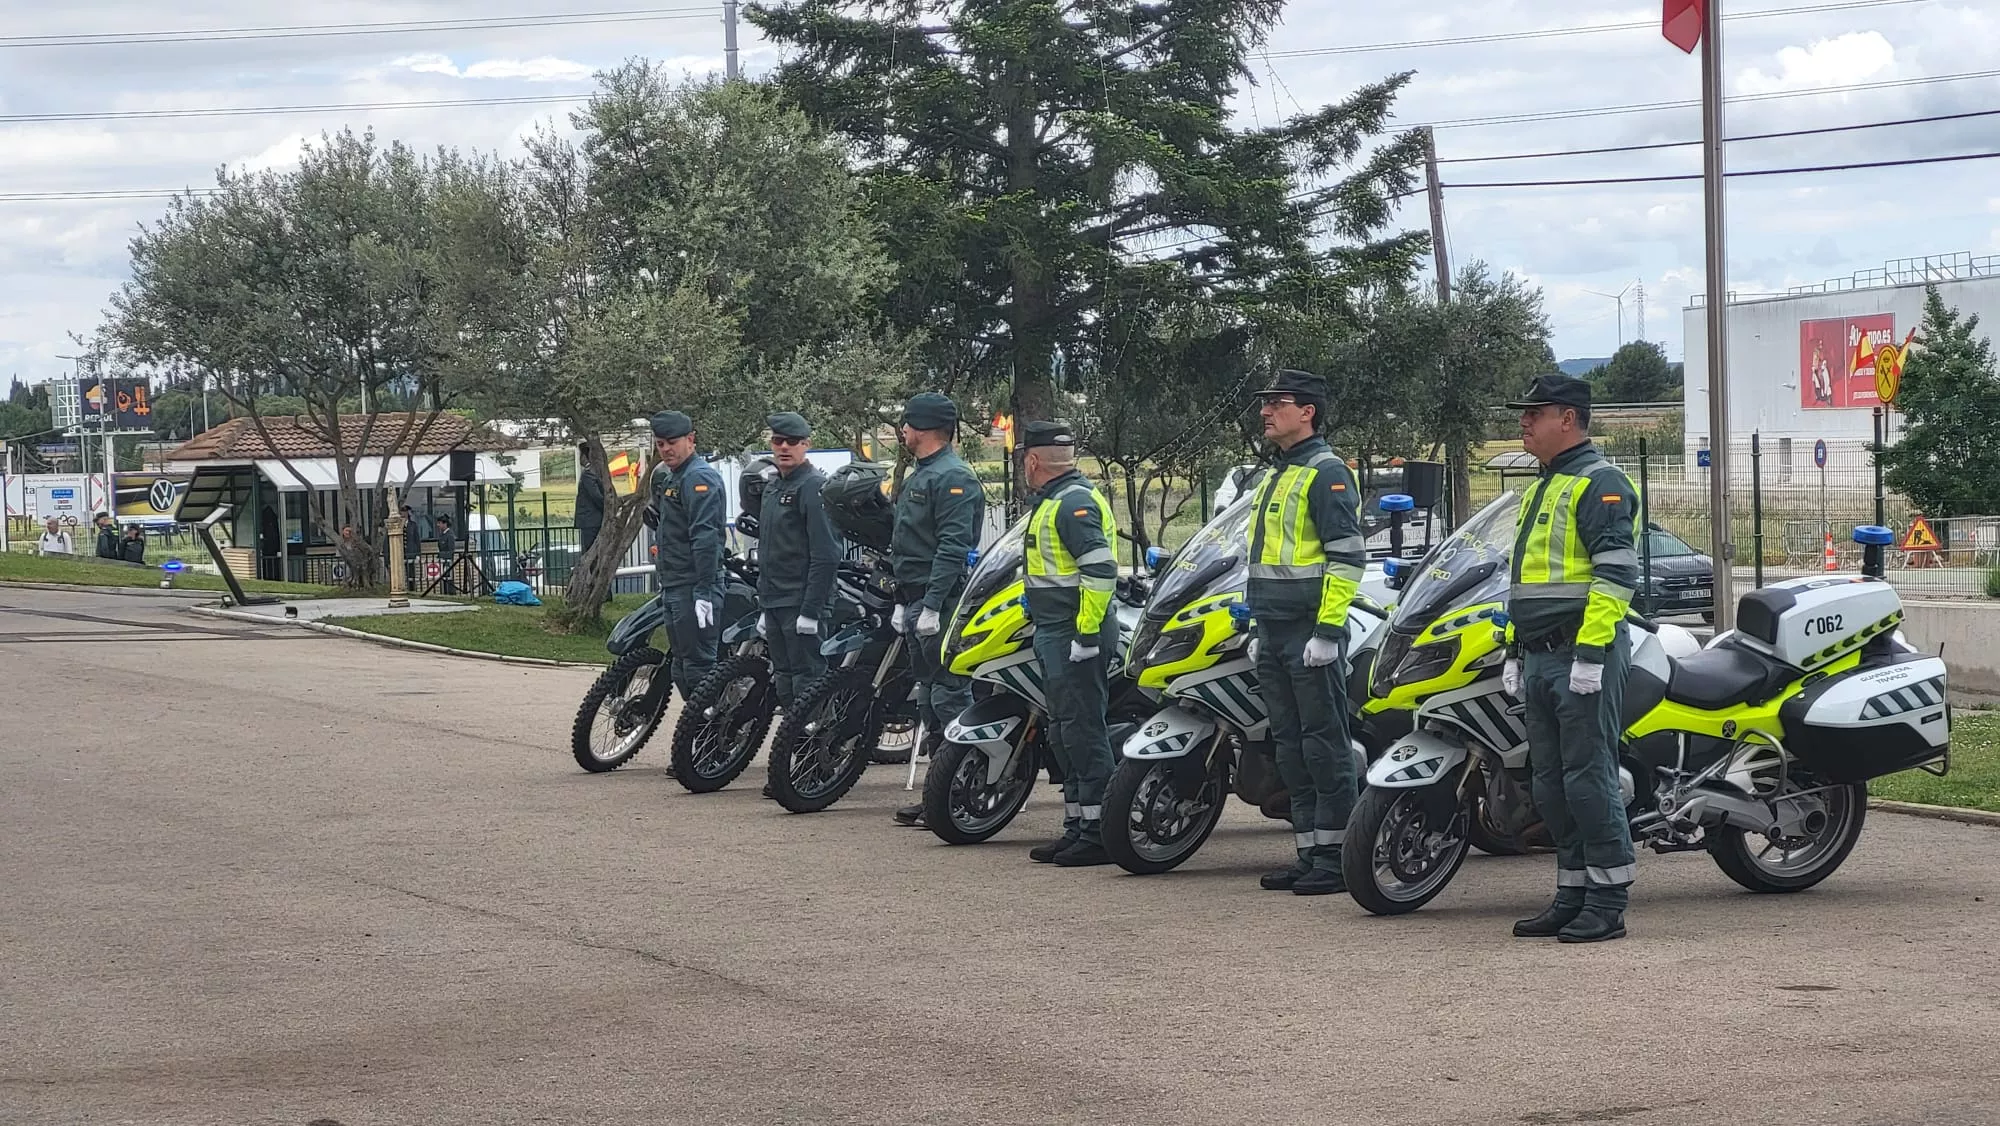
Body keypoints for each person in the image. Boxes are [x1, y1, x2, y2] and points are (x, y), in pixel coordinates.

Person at [1501, 374, 1640, 944]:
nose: (1523, 423)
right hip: (1540, 658)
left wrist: (1590, 654)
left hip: (1582, 658)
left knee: (1588, 780)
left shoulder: (1600, 483)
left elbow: (1615, 576)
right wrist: (1515, 647)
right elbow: (1526, 580)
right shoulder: (1542, 485)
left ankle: (1607, 901)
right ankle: (1572, 891)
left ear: (1568, 418)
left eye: (1534, 413)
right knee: (1551, 785)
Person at [1245, 369, 1365, 897]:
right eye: (1265, 404)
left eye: (1278, 403)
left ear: (1308, 411)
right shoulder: (1278, 472)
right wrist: (1257, 625)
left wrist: (1328, 630)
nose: (1266, 412)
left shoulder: (1326, 472)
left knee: (1324, 745)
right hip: (1273, 629)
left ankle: (1337, 856)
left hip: (1308, 634)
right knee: (1290, 747)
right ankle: (1309, 850)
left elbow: (1346, 560)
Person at [1017, 421, 1119, 867]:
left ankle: (1098, 833)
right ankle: (1078, 825)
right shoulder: (1055, 500)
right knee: (1064, 731)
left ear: (1033, 461)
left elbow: (1100, 572)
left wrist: (1087, 635)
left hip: (1074, 631)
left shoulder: (1073, 503)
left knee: (1082, 730)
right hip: (1055, 629)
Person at [889, 391, 987, 828]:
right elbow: (905, 541)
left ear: (925, 428)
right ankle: (938, 796)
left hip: (940, 602)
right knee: (930, 699)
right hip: (916, 599)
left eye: (907, 423)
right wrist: (901, 599)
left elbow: (952, 546)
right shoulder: (922, 473)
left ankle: (962, 794)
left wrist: (930, 605)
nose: (902, 431)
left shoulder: (953, 478)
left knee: (950, 698)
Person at [756, 413, 842, 709]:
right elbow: (770, 548)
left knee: (809, 682)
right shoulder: (773, 487)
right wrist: (764, 603)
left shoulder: (813, 486)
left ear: (806, 444)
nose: (784, 447)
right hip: (775, 600)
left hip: (800, 601)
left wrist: (811, 610)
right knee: (784, 679)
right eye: (778, 440)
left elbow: (827, 555)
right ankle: (793, 748)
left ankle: (816, 750)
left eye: (792, 442)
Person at [647, 410, 726, 698]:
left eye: (672, 442)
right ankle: (697, 734)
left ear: (690, 440)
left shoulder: (698, 479)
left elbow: (705, 539)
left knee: (699, 666)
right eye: (660, 444)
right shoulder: (674, 477)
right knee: (681, 666)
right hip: (676, 584)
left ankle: (709, 736)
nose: (666, 449)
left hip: (694, 586)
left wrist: (704, 591)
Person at [575, 441, 605, 554]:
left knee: (590, 553)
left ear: (585, 456)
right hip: (594, 520)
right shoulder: (597, 472)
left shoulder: (588, 474)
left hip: (590, 521)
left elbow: (596, 496)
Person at [434, 513, 458, 595]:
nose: (438, 525)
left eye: (439, 523)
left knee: (448, 577)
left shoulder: (450, 535)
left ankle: (450, 592)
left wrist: (446, 558)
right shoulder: (442, 535)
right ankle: (445, 592)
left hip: (447, 560)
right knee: (444, 578)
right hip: (442, 561)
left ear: (445, 523)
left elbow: (451, 549)